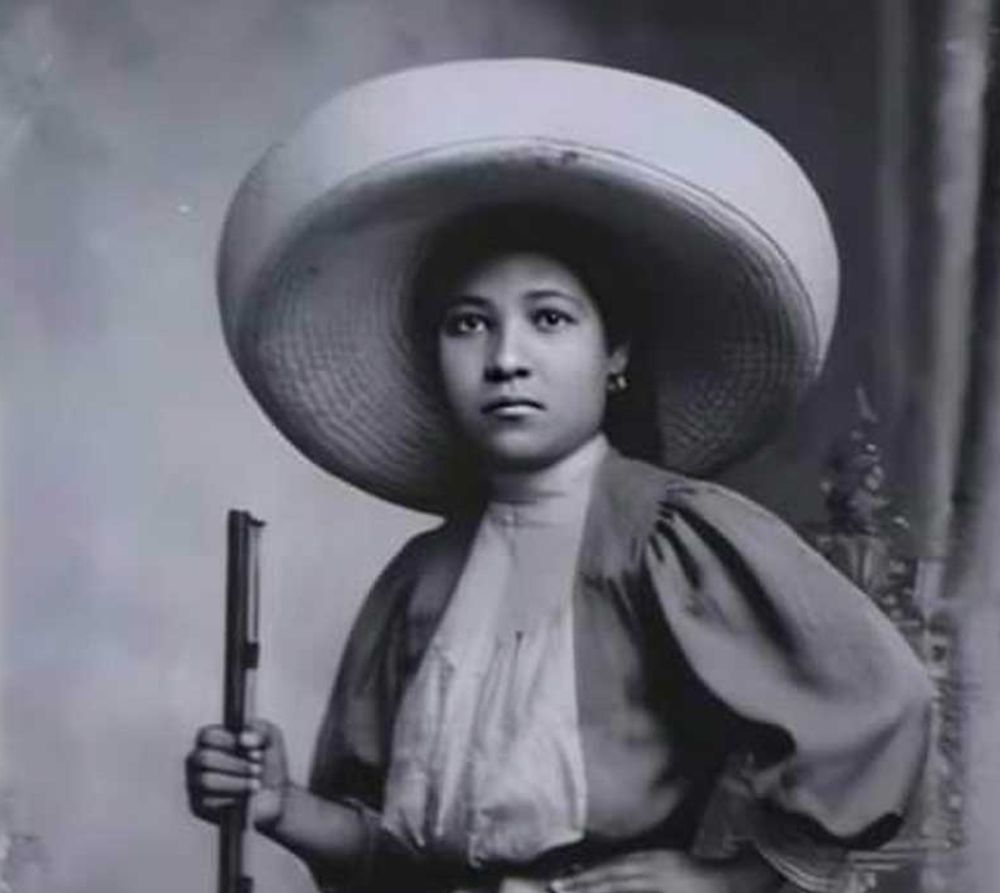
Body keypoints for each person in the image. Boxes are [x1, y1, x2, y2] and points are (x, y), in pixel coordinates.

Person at [186, 60, 933, 893]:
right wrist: (281, 804)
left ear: (614, 353)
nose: (506, 359)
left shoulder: (668, 538)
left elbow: (884, 704)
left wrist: (728, 882)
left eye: (549, 319)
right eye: (469, 324)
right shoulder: (419, 582)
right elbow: (394, 866)